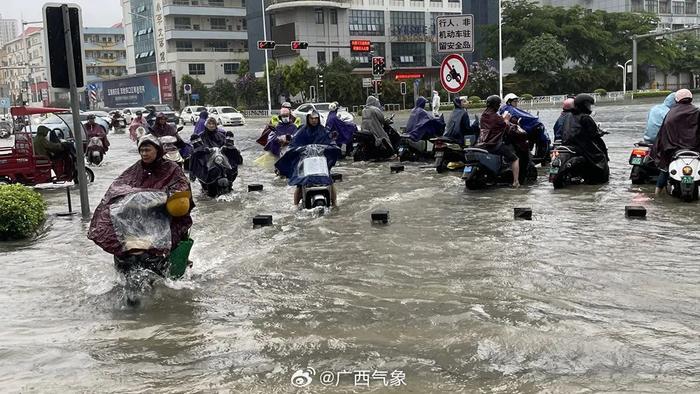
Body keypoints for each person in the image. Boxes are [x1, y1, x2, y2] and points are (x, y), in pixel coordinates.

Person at [88, 134, 194, 275]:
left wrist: (165, 196)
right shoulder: (135, 169)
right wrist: (136, 197)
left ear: (157, 150)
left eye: (148, 150)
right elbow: (118, 187)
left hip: (162, 216)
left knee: (178, 230)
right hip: (138, 217)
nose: (144, 153)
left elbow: (182, 187)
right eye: (142, 150)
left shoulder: (172, 168)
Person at [652, 89, 700, 195]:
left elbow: (663, 134)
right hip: (695, 149)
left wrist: (664, 148)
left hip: (673, 150)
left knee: (664, 169)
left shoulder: (671, 114)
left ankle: (657, 194)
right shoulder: (697, 111)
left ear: (677, 99)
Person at [287, 111, 338, 206]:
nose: (314, 120)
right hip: (305, 161)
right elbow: (293, 144)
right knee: (300, 184)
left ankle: (334, 204)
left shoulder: (324, 131)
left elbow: (331, 143)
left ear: (318, 119)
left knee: (330, 181)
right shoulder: (302, 131)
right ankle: (295, 205)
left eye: (316, 118)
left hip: (320, 162)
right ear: (308, 119)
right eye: (312, 118)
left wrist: (331, 148)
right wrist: (299, 149)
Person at [561, 94, 610, 184]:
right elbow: (593, 134)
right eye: (588, 105)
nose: (589, 107)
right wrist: (600, 133)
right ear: (584, 105)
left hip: (567, 144)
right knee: (601, 157)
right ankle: (601, 181)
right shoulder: (585, 117)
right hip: (581, 145)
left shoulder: (568, 116)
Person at [476, 95, 523, 187]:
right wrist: (506, 119)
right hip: (493, 144)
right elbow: (504, 126)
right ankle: (516, 182)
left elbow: (494, 125)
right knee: (515, 158)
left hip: (482, 143)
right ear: (496, 105)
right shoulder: (495, 116)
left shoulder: (483, 115)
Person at [190, 117, 242, 183]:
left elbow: (227, 145)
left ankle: (230, 177)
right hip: (207, 159)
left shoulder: (221, 135)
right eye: (209, 123)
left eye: (213, 124)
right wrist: (205, 150)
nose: (211, 125)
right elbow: (197, 149)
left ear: (216, 125)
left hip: (221, 158)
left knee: (233, 155)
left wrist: (226, 148)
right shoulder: (200, 136)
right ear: (206, 125)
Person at [499, 93, 550, 159]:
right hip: (514, 135)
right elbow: (525, 117)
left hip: (513, 134)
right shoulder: (510, 110)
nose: (516, 103)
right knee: (539, 131)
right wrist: (535, 119)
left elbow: (524, 117)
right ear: (509, 102)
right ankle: (539, 157)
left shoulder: (506, 110)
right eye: (515, 101)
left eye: (517, 101)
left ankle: (533, 156)